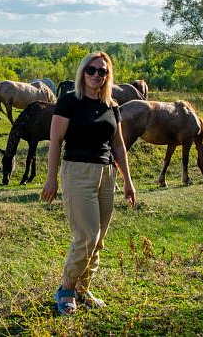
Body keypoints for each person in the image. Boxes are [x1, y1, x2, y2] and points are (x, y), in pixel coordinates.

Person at [41, 51, 136, 315]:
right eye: (91, 70)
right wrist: (51, 178)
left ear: (108, 75)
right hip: (78, 172)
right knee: (87, 236)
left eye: (102, 71)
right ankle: (67, 288)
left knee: (99, 240)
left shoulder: (112, 106)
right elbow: (56, 141)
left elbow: (118, 144)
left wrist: (128, 180)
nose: (96, 75)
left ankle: (84, 288)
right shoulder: (70, 101)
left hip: (107, 175)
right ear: (83, 72)